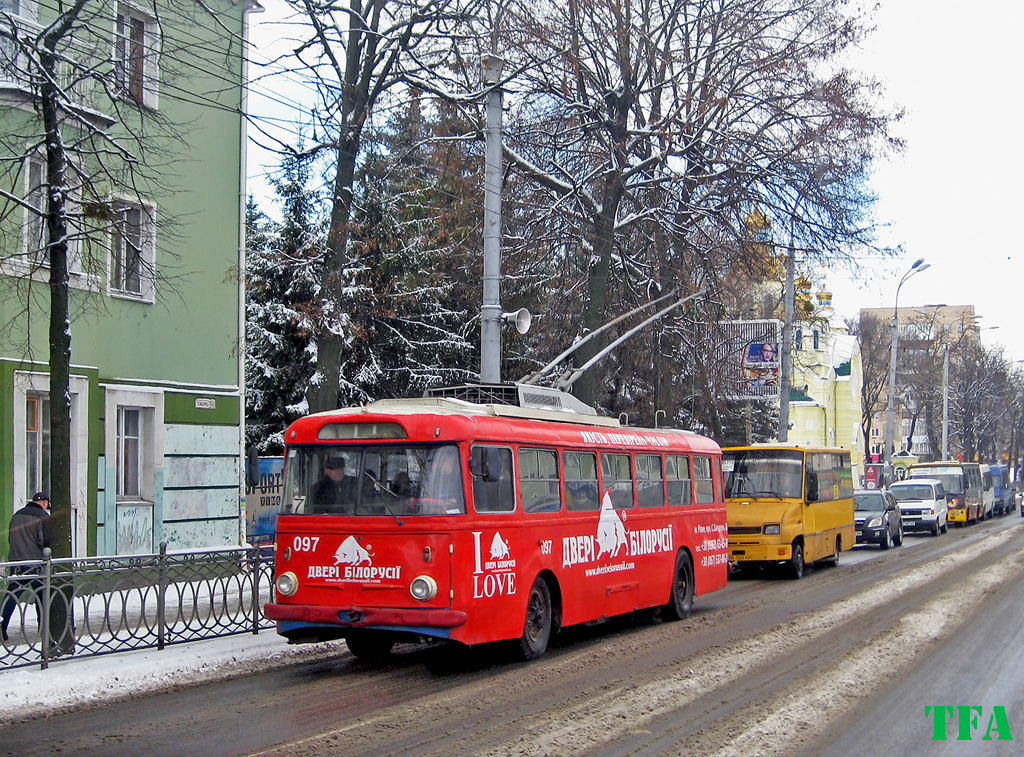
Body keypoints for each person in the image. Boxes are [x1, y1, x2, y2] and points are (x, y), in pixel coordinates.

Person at [1, 492, 51, 642]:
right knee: (41, 596)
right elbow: (45, 540)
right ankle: (43, 630)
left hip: (16, 562)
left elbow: (11, 538)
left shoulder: (17, 515)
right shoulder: (43, 516)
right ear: (44, 503)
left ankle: (2, 625)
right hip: (35, 563)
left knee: (12, 594)